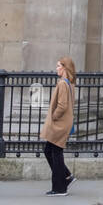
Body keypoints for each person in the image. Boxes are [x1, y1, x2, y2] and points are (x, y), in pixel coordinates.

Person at [41, 57, 76, 196]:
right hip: (63, 123)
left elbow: (62, 106)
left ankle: (59, 188)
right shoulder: (68, 83)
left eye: (58, 66)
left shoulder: (63, 84)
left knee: (55, 152)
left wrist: (54, 117)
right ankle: (66, 177)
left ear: (65, 68)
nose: (56, 68)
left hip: (59, 124)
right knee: (50, 151)